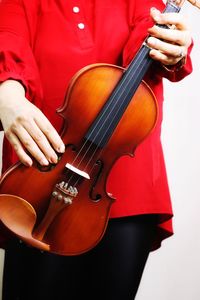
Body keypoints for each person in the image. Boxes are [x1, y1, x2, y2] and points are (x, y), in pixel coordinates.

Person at [0, 0, 194, 299]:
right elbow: (7, 33)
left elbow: (148, 45)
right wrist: (6, 95)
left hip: (124, 180)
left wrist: (174, 49)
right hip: (38, 179)